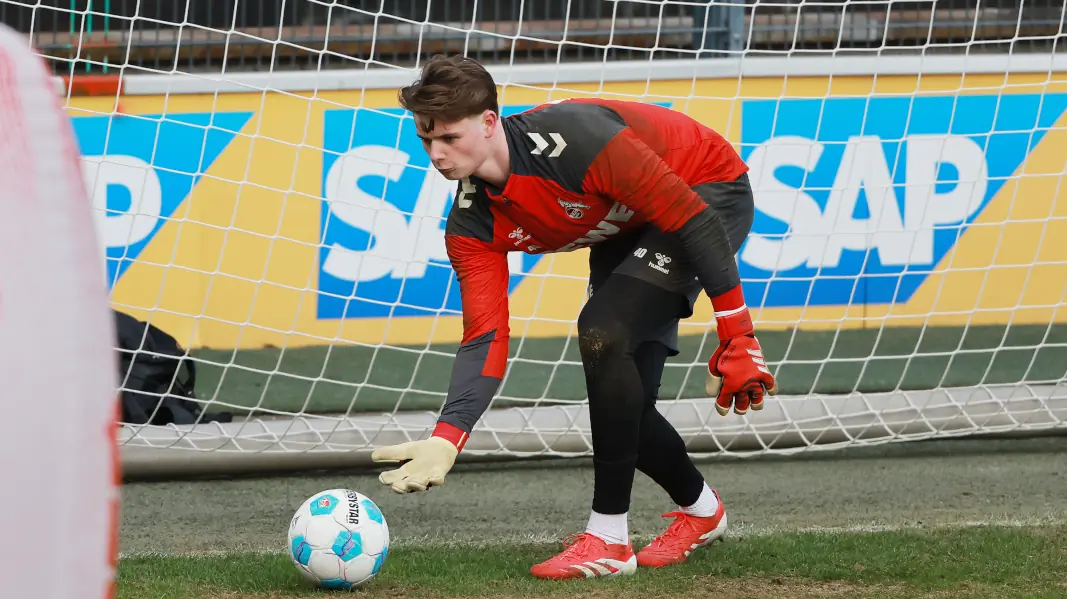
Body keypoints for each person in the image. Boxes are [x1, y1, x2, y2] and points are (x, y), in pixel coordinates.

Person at [370, 54, 777, 580]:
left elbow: (693, 220)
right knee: (624, 401)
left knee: (600, 332)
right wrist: (450, 434)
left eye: (450, 137)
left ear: (490, 121)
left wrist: (738, 334)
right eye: (427, 141)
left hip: (704, 189)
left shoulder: (577, 140)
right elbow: (484, 337)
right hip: (625, 222)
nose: (438, 154)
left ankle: (608, 537)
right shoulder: (470, 224)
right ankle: (703, 512)